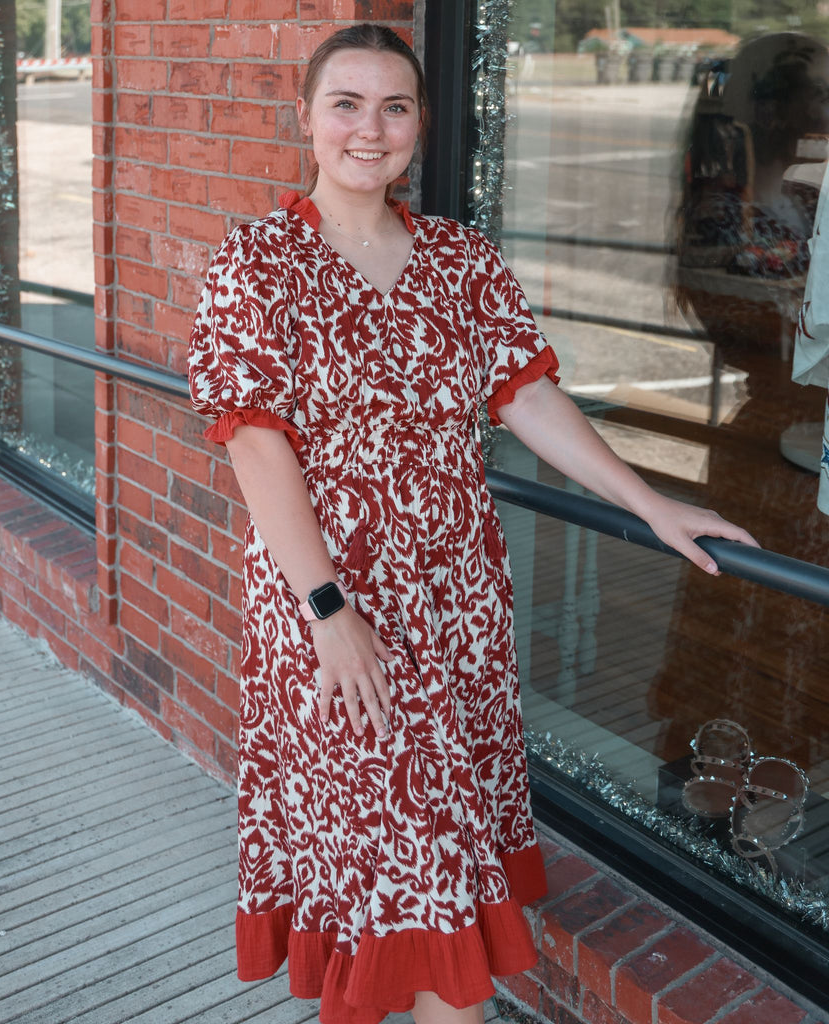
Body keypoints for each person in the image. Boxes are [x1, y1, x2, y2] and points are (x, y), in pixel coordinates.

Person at [187, 23, 758, 1024]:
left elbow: (530, 401)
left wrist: (650, 501)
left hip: (455, 610)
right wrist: (327, 608)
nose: (371, 129)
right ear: (306, 120)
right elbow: (254, 444)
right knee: (408, 880)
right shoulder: (258, 262)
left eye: (395, 106)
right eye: (346, 104)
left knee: (420, 884)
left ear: (421, 122)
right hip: (332, 616)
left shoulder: (459, 259)